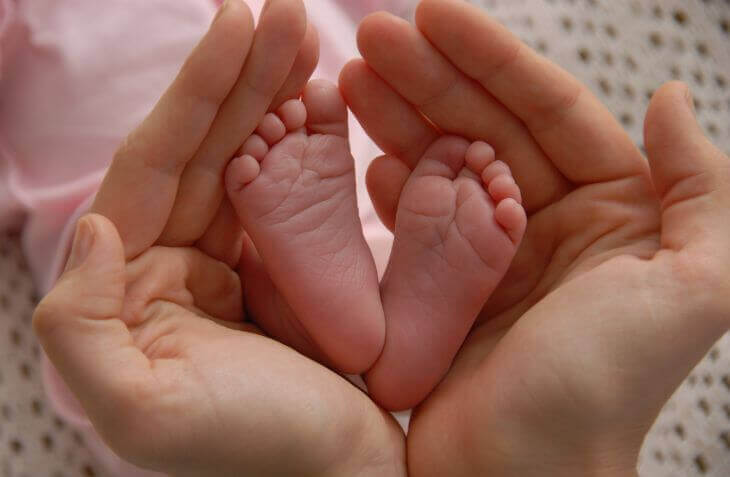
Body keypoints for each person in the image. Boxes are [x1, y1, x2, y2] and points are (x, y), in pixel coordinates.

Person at [29, 0, 730, 475]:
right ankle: (359, 325)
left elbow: (392, 32)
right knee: (325, 200)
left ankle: (336, 318)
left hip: (171, 249)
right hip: (208, 207)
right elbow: (395, 37)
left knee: (122, 280)